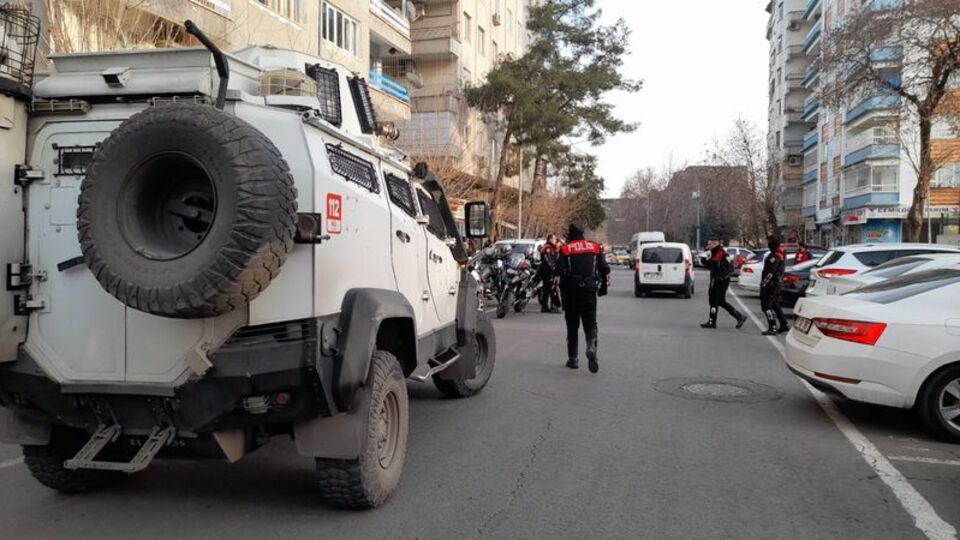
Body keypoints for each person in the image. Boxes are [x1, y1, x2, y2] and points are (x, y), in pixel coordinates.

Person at [558, 224, 610, 373]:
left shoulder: (566, 249)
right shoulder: (594, 247)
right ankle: (591, 345)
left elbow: (560, 270)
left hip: (571, 291)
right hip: (589, 290)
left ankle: (573, 359)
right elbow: (605, 269)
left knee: (572, 326)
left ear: (570, 234)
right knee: (591, 323)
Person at [700, 239, 747, 329]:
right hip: (719, 280)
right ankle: (738, 316)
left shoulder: (720, 253)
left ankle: (713, 322)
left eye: (710, 244)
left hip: (719, 281)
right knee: (720, 301)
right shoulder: (716, 252)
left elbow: (724, 267)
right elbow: (712, 265)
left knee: (714, 300)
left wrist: (720, 277)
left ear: (715, 244)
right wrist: (704, 260)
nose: (708, 246)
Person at [760, 236, 790, 336]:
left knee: (766, 306)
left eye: (769, 242)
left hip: (772, 284)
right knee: (775, 304)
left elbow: (771, 272)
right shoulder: (780, 254)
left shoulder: (775, 256)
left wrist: (764, 283)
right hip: (776, 283)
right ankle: (784, 324)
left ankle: (772, 327)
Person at [538, 234, 562, 313]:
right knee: (549, 289)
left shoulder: (552, 248)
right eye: (554, 239)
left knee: (548, 289)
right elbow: (547, 259)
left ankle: (547, 306)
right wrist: (553, 267)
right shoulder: (547, 248)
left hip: (549, 271)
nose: (555, 241)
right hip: (547, 271)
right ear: (550, 239)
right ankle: (550, 306)